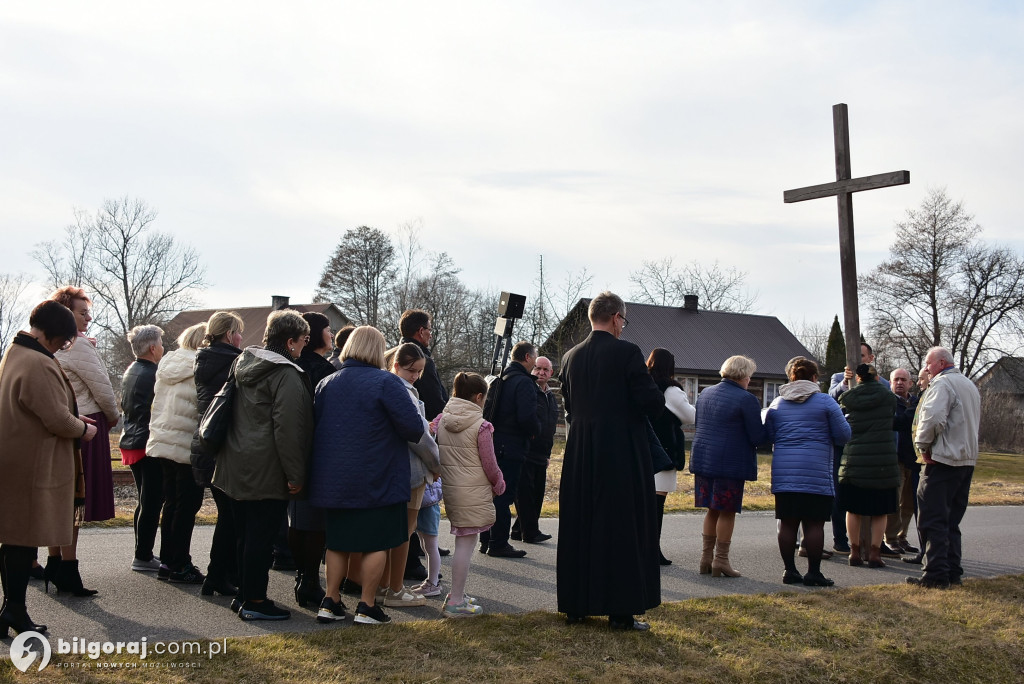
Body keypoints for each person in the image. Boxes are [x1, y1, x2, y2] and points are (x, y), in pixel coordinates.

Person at [558, 292, 665, 631]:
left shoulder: (570, 356)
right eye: (624, 320)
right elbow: (650, 402)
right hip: (620, 449)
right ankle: (621, 610)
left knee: (580, 522)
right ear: (617, 317)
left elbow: (570, 407)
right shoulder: (627, 352)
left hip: (580, 450)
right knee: (622, 524)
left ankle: (576, 605)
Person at [309, 326, 425, 626]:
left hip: (334, 478)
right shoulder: (387, 383)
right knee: (377, 542)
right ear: (377, 349)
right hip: (378, 476)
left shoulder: (326, 383)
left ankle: (330, 600)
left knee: (337, 542)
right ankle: (367, 605)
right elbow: (413, 428)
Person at [0, 301, 97, 635]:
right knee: (20, 541)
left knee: (14, 540)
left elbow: (41, 408)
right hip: (32, 466)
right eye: (62, 341)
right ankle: (14, 612)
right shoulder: (37, 362)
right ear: (55, 335)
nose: (62, 347)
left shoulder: (15, 353)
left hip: (17, 460)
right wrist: (83, 428)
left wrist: (71, 417)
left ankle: (10, 612)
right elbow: (55, 418)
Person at [213, 310, 313, 621]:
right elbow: (290, 430)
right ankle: (255, 600)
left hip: (234, 462)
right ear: (290, 341)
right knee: (261, 537)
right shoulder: (287, 374)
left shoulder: (242, 363)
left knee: (243, 534)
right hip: (266, 468)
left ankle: (244, 595)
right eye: (303, 341)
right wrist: (296, 475)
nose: (304, 347)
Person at [46, 287, 119, 592]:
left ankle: (53, 562)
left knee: (59, 498)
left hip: (62, 425)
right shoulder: (78, 346)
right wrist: (113, 417)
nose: (88, 317)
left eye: (88, 311)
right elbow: (103, 389)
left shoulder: (54, 347)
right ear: (66, 314)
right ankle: (69, 570)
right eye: (82, 312)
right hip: (87, 424)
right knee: (75, 501)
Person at [765, 358, 851, 587]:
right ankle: (814, 573)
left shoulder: (777, 404)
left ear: (791, 377)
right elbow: (844, 435)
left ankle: (789, 570)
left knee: (788, 523)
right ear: (815, 378)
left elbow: (769, 435)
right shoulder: (825, 402)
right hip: (816, 471)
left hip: (785, 472)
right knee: (814, 524)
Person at [433, 372, 506, 617]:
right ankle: (455, 600)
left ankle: (458, 594)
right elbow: (490, 462)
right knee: (465, 545)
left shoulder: (442, 419)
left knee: (464, 541)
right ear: (478, 397)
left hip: (453, 488)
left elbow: (428, 437)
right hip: (474, 490)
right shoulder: (481, 426)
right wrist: (499, 483)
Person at [908, 346, 981, 589]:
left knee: (932, 519)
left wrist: (923, 446)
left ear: (940, 363)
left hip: (943, 459)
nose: (926, 369)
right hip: (965, 460)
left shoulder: (941, 384)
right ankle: (952, 571)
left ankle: (935, 575)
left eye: (928, 364)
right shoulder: (969, 385)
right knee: (951, 520)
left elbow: (933, 418)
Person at [689, 355, 766, 579]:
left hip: (704, 459)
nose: (750, 380)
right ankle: (720, 561)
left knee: (712, 509)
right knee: (727, 511)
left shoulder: (706, 394)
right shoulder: (746, 399)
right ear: (743, 375)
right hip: (729, 463)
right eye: (749, 375)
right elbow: (757, 436)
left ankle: (705, 558)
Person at [377, 342, 440, 608]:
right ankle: (395, 587)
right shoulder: (401, 391)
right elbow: (418, 435)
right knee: (404, 532)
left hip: (392, 469)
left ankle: (383, 585)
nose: (415, 376)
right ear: (395, 365)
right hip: (412, 469)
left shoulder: (388, 385)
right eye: (410, 370)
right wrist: (436, 463)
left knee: (392, 531)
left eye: (419, 371)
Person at [146, 323, 207, 584]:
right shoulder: (199, 365)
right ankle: (180, 562)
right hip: (184, 442)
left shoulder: (168, 363)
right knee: (187, 506)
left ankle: (167, 560)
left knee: (171, 503)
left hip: (163, 439)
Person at [190, 311, 244, 599]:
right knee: (230, 518)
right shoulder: (232, 362)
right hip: (225, 445)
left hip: (207, 442)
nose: (241, 338)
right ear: (228, 335)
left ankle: (218, 575)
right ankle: (218, 576)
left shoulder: (204, 359)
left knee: (227, 515)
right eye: (238, 333)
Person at [288, 311, 336, 610]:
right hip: (318, 450)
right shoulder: (323, 370)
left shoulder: (293, 366)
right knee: (316, 522)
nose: (332, 335)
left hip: (294, 448)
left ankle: (302, 576)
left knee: (297, 517)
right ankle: (310, 581)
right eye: (329, 330)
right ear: (317, 334)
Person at [399, 310, 447, 580]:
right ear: (420, 331)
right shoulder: (419, 358)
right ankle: (415, 558)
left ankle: (423, 547)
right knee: (417, 505)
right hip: (423, 434)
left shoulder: (404, 352)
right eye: (429, 328)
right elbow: (432, 397)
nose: (431, 332)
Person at [481, 341, 541, 558]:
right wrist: (536, 429)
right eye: (535, 357)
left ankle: (485, 540)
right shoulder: (523, 383)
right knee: (504, 496)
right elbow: (526, 417)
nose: (535, 362)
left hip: (494, 444)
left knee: (491, 494)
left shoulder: (500, 379)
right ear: (527, 357)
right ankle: (498, 543)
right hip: (512, 447)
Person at [838, 364, 899, 568]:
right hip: (882, 461)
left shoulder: (850, 397)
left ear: (859, 378)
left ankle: (854, 551)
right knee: (879, 511)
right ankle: (874, 553)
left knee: (853, 510)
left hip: (855, 459)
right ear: (877, 378)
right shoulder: (888, 397)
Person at [121, 324, 166, 575]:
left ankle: (143, 551)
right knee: (152, 502)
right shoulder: (153, 374)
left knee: (145, 500)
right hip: (146, 442)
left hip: (132, 440)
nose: (163, 347)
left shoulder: (132, 370)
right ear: (152, 348)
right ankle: (143, 555)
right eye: (160, 343)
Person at [646, 348, 695, 566]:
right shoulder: (671, 390)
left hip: (642, 448)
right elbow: (690, 416)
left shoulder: (643, 384)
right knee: (656, 506)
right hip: (664, 449)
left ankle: (641, 548)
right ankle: (652, 550)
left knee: (642, 504)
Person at [511, 355, 558, 545]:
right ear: (532, 370)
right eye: (538, 368)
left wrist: (548, 454)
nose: (541, 372)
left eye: (545, 370)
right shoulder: (528, 390)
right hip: (526, 451)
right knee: (526, 494)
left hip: (542, 453)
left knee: (536, 493)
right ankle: (530, 532)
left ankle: (517, 530)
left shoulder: (552, 396)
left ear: (551, 373)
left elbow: (552, 426)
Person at [885, 368, 921, 555]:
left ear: (910, 383)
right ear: (890, 383)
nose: (899, 383)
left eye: (903, 379)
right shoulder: (888, 402)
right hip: (895, 458)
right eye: (895, 380)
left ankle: (902, 536)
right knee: (895, 501)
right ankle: (890, 539)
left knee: (909, 503)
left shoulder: (917, 402)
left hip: (914, 459)